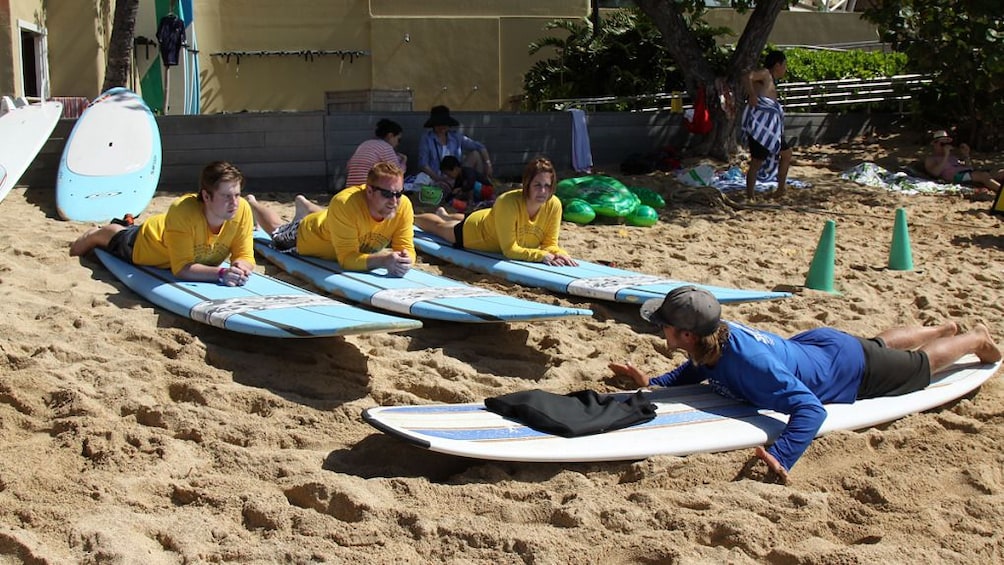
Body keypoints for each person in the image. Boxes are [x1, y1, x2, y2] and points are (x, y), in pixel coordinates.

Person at [608, 285, 1002, 483]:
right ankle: (943, 326)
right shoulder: (714, 340)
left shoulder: (751, 365)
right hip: (820, 347)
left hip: (850, 371)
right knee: (879, 345)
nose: (661, 329)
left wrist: (783, 454)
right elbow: (698, 369)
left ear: (688, 334)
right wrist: (655, 384)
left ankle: (974, 338)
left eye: (665, 325)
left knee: (920, 366)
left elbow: (810, 408)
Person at [69, 161, 255, 286]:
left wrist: (241, 266)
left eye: (237, 195)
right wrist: (221, 274)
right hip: (148, 243)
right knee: (114, 236)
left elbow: (245, 255)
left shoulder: (242, 210)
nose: (235, 203)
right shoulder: (183, 212)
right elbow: (182, 269)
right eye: (226, 196)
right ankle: (95, 233)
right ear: (206, 196)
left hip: (175, 240)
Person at [248, 161, 415, 277]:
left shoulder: (403, 206)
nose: (394, 201)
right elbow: (347, 259)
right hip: (309, 234)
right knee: (277, 232)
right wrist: (384, 260)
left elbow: (407, 248)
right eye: (387, 194)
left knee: (336, 216)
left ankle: (306, 205)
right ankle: (253, 203)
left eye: (398, 193)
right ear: (369, 191)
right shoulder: (345, 203)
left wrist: (406, 259)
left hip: (332, 221)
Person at [414, 157, 576, 266]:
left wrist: (558, 253)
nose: (542, 191)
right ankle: (412, 217)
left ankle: (445, 213)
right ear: (526, 184)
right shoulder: (508, 202)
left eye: (547, 186)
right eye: (537, 185)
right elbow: (509, 250)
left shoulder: (554, 204)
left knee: (450, 218)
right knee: (438, 227)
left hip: (491, 218)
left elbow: (549, 243)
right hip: (475, 232)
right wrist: (540, 256)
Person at [744, 50, 793, 200]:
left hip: (772, 128)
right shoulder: (765, 73)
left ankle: (780, 189)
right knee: (756, 161)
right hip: (761, 127)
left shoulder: (770, 79)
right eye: (784, 65)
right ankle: (750, 196)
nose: (785, 68)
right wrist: (751, 95)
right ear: (777, 65)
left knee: (786, 153)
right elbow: (747, 75)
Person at [417, 105, 493, 191]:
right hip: (437, 176)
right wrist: (438, 178)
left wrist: (488, 164)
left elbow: (479, 146)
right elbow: (423, 164)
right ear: (433, 125)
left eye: (444, 124)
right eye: (439, 125)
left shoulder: (455, 136)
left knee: (475, 154)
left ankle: (480, 186)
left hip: (456, 174)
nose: (442, 127)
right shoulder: (427, 139)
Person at [924, 130, 1004, 194]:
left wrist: (966, 155)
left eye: (947, 143)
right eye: (942, 143)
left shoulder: (953, 156)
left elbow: (969, 168)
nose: (945, 146)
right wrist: (946, 155)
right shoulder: (931, 159)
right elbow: (935, 173)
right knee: (983, 175)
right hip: (954, 178)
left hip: (966, 174)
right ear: (934, 144)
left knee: (1001, 173)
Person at [345, 118, 407, 188]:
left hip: (350, 188)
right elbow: (397, 173)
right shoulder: (386, 147)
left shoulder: (365, 144)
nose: (398, 143)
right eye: (398, 139)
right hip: (368, 190)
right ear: (390, 136)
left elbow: (348, 166)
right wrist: (404, 161)